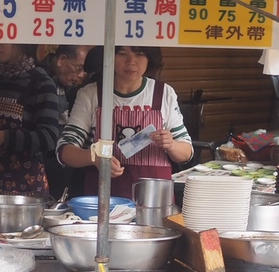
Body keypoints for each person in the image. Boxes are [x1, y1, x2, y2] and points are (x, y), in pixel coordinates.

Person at [56, 45, 192, 199]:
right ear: (109, 57)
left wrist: (171, 144)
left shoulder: (163, 94)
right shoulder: (91, 94)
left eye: (140, 54)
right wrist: (94, 157)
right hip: (103, 203)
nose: (131, 61)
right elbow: (64, 151)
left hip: (154, 201)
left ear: (149, 58)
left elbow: (186, 152)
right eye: (122, 54)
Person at [0, 43, 59, 197]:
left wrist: (5, 138)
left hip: (24, 194)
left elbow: (49, 137)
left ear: (22, 43)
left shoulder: (41, 83)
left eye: (5, 40)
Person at [41, 45, 90, 200]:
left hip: (62, 159)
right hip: (42, 158)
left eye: (84, 70)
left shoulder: (69, 86)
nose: (81, 75)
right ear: (62, 60)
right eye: (78, 68)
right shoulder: (40, 78)